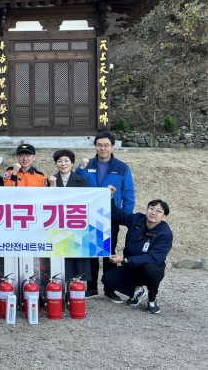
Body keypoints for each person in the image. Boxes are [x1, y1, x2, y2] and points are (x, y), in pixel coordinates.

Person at [75, 131, 135, 301]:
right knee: (91, 251)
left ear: (112, 147)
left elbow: (128, 194)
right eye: (99, 145)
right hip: (90, 215)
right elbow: (76, 184)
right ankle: (91, 287)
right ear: (95, 146)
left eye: (106, 145)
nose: (103, 148)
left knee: (109, 252)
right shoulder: (86, 165)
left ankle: (110, 289)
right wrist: (80, 169)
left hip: (111, 217)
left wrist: (125, 217)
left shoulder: (122, 168)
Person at [102, 195, 172, 314]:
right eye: (151, 208)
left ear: (164, 216)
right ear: (147, 209)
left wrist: (124, 260)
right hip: (131, 268)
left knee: (150, 269)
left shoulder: (165, 233)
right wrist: (111, 197)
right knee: (107, 278)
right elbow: (117, 214)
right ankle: (137, 292)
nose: (153, 213)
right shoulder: (137, 219)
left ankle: (152, 300)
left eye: (158, 211)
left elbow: (153, 258)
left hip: (150, 269)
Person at [46, 149, 91, 284]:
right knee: (58, 257)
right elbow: (47, 203)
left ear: (72, 163)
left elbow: (86, 202)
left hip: (75, 223)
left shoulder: (82, 181)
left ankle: (76, 288)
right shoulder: (50, 180)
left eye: (66, 161)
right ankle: (57, 287)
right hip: (56, 224)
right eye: (59, 161)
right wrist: (53, 187)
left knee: (76, 256)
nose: (63, 164)